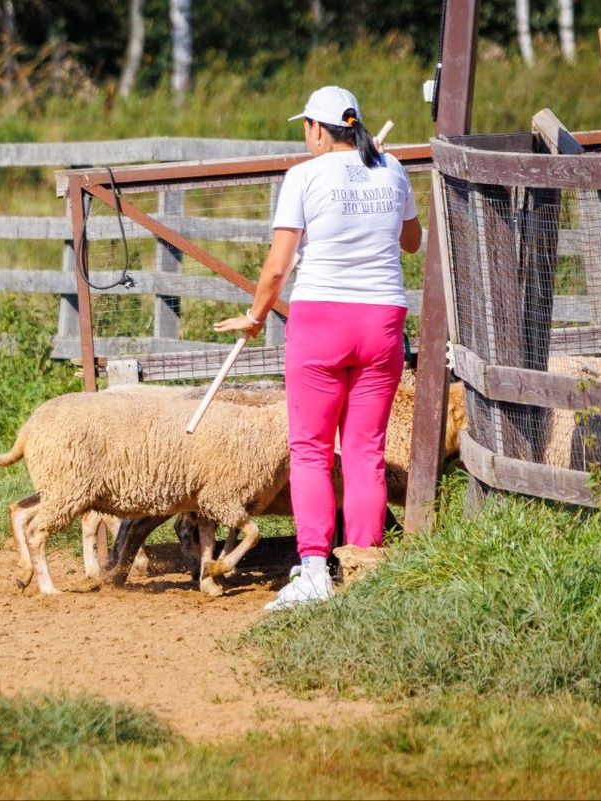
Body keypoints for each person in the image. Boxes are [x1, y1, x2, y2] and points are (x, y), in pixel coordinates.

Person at [214, 85, 422, 611]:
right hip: (382, 321)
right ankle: (364, 565)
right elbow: (412, 241)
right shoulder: (392, 168)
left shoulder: (304, 176)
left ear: (317, 129)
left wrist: (255, 316)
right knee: (365, 450)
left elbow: (278, 267)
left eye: (305, 126)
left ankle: (313, 569)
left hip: (321, 321)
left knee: (309, 448)